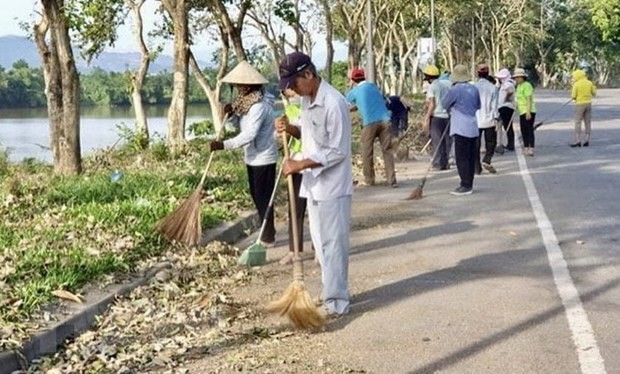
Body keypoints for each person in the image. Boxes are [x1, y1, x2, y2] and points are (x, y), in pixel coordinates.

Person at [276, 51, 353, 317]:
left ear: (308, 75)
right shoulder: (308, 100)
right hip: (314, 185)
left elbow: (338, 151)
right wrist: (289, 128)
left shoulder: (334, 103)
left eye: (294, 84)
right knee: (320, 245)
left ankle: (337, 300)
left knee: (334, 245)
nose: (293, 91)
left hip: (333, 186)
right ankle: (330, 291)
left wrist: (299, 164)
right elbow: (307, 132)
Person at [209, 61, 278, 245]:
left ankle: (268, 235)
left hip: (264, 158)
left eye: (240, 85)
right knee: (256, 196)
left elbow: (249, 134)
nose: (238, 89)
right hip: (252, 158)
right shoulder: (244, 105)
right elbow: (239, 127)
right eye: (237, 86)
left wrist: (224, 145)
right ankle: (267, 231)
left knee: (264, 198)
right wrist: (230, 115)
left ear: (249, 86)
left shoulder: (259, 106)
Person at [346, 68, 398, 187]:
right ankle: (392, 180)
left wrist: (350, 86)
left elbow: (346, 102)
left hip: (370, 122)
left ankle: (369, 180)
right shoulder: (374, 86)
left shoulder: (355, 91)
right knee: (387, 151)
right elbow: (380, 101)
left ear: (353, 80)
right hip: (385, 119)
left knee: (367, 151)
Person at [278, 88, 308, 265]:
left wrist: (291, 128)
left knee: (315, 208)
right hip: (295, 161)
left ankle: (320, 249)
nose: (292, 94)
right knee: (295, 208)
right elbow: (287, 137)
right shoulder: (289, 111)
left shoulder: (312, 107)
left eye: (292, 89)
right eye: (287, 91)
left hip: (313, 163)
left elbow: (303, 132)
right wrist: (282, 129)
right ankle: (294, 249)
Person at [441, 64, 480, 196]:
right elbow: (478, 105)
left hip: (460, 127)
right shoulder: (474, 89)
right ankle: (470, 183)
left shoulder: (455, 90)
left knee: (461, 157)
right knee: (470, 157)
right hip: (473, 125)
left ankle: (465, 185)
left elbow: (444, 104)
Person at [423, 64, 452, 171]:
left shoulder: (432, 87)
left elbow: (432, 104)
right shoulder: (444, 85)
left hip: (436, 116)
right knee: (445, 141)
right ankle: (445, 163)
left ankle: (437, 163)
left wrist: (426, 118)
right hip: (446, 116)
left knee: (437, 140)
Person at [475, 63, 498, 174]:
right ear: (488, 73)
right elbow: (495, 106)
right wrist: (496, 118)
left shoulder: (473, 87)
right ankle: (487, 159)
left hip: (476, 120)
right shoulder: (493, 88)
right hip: (489, 120)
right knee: (491, 142)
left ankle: (476, 167)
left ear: (477, 73)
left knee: (475, 144)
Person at [513, 68, 537, 156]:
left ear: (522, 77)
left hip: (529, 110)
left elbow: (528, 99)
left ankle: (531, 148)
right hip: (521, 111)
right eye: (515, 77)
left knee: (529, 129)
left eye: (518, 77)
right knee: (523, 129)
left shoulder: (527, 85)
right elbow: (519, 98)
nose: (516, 79)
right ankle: (526, 146)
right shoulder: (518, 86)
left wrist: (528, 112)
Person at [570, 69, 597, 147]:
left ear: (578, 76)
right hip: (588, 104)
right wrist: (594, 87)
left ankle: (577, 141)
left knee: (578, 122)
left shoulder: (576, 84)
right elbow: (594, 93)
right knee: (587, 122)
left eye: (574, 76)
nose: (574, 78)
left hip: (579, 104)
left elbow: (573, 96)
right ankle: (587, 140)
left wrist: (574, 98)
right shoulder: (589, 83)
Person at [495, 68, 516, 152]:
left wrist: (505, 99)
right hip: (504, 107)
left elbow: (510, 92)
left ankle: (510, 145)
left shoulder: (507, 84)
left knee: (507, 126)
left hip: (506, 107)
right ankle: (508, 144)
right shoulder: (505, 84)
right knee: (507, 126)